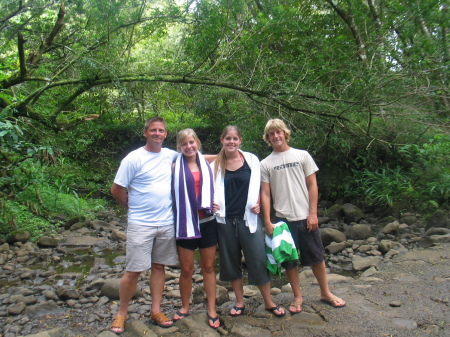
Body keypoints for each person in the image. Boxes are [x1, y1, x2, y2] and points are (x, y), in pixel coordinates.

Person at [260, 118, 346, 314]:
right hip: (282, 219)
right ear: (267, 138)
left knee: (316, 256)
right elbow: (265, 193)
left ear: (285, 133)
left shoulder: (302, 155)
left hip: (305, 215)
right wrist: (267, 221)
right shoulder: (265, 163)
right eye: (271, 134)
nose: (275, 136)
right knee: (290, 260)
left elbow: (312, 185)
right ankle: (297, 296)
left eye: (278, 132)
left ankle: (326, 292)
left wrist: (313, 213)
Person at [110, 117, 178, 334]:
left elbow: (196, 157)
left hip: (166, 223)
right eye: (153, 130)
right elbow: (117, 189)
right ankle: (121, 313)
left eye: (161, 130)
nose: (157, 133)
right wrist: (131, 208)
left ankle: (155, 310)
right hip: (141, 223)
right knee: (133, 271)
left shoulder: (171, 156)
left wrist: (227, 153)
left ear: (166, 134)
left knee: (159, 267)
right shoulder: (133, 158)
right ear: (145, 132)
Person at [212, 125, 285, 318]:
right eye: (228, 138)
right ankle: (239, 301)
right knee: (230, 261)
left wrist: (260, 203)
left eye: (235, 138)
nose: (231, 142)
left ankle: (269, 302)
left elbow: (263, 187)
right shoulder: (215, 165)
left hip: (249, 218)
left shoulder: (251, 160)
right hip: (224, 220)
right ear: (222, 140)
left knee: (258, 259)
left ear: (240, 141)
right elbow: (206, 188)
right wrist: (210, 204)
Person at [171, 128, 220, 329]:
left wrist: (216, 202)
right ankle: (184, 307)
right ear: (179, 147)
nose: (188, 146)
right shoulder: (173, 166)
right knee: (186, 270)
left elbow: (227, 156)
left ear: (197, 143)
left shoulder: (207, 162)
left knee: (208, 268)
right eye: (184, 143)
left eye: (191, 142)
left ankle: (212, 309)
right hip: (185, 224)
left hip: (207, 222)